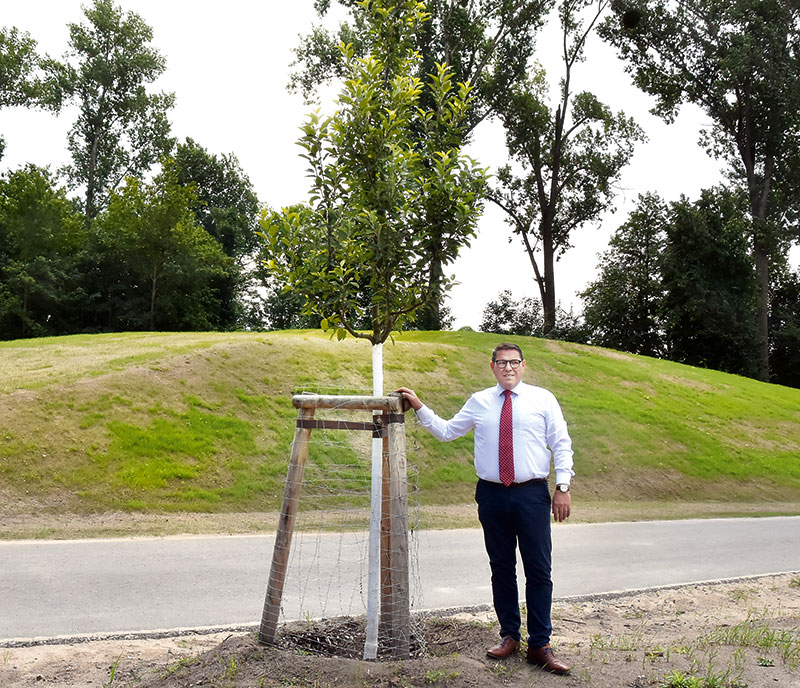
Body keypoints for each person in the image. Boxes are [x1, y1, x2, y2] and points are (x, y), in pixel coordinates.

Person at [396, 342, 574, 675]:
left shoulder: (543, 399)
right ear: (492, 367)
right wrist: (419, 406)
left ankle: (540, 644)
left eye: (514, 362)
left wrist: (562, 487)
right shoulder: (480, 401)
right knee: (501, 567)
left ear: (524, 366)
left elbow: (561, 443)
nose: (508, 368)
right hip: (492, 496)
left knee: (538, 569)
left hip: (532, 494)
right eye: (501, 363)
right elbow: (449, 431)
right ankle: (509, 635)